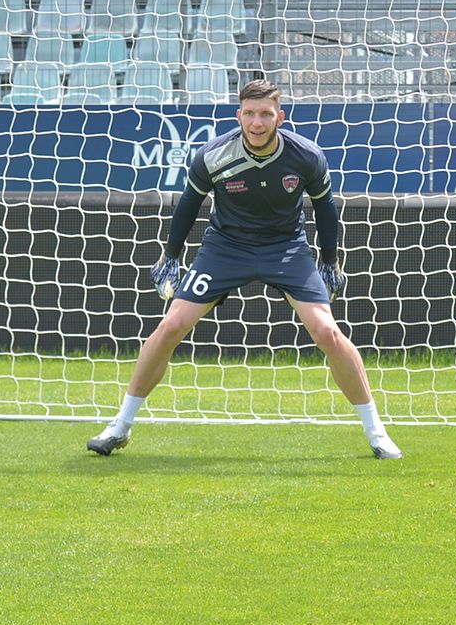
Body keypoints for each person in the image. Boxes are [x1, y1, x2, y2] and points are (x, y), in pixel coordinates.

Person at [88, 79, 401, 460]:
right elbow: (188, 205)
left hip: (286, 249)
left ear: (279, 117)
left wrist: (329, 259)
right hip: (226, 248)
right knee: (171, 326)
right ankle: (120, 426)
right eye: (250, 114)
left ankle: (377, 433)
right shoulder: (213, 155)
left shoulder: (306, 156)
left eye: (265, 114)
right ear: (239, 116)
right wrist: (171, 255)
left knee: (328, 333)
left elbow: (325, 208)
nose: (257, 123)